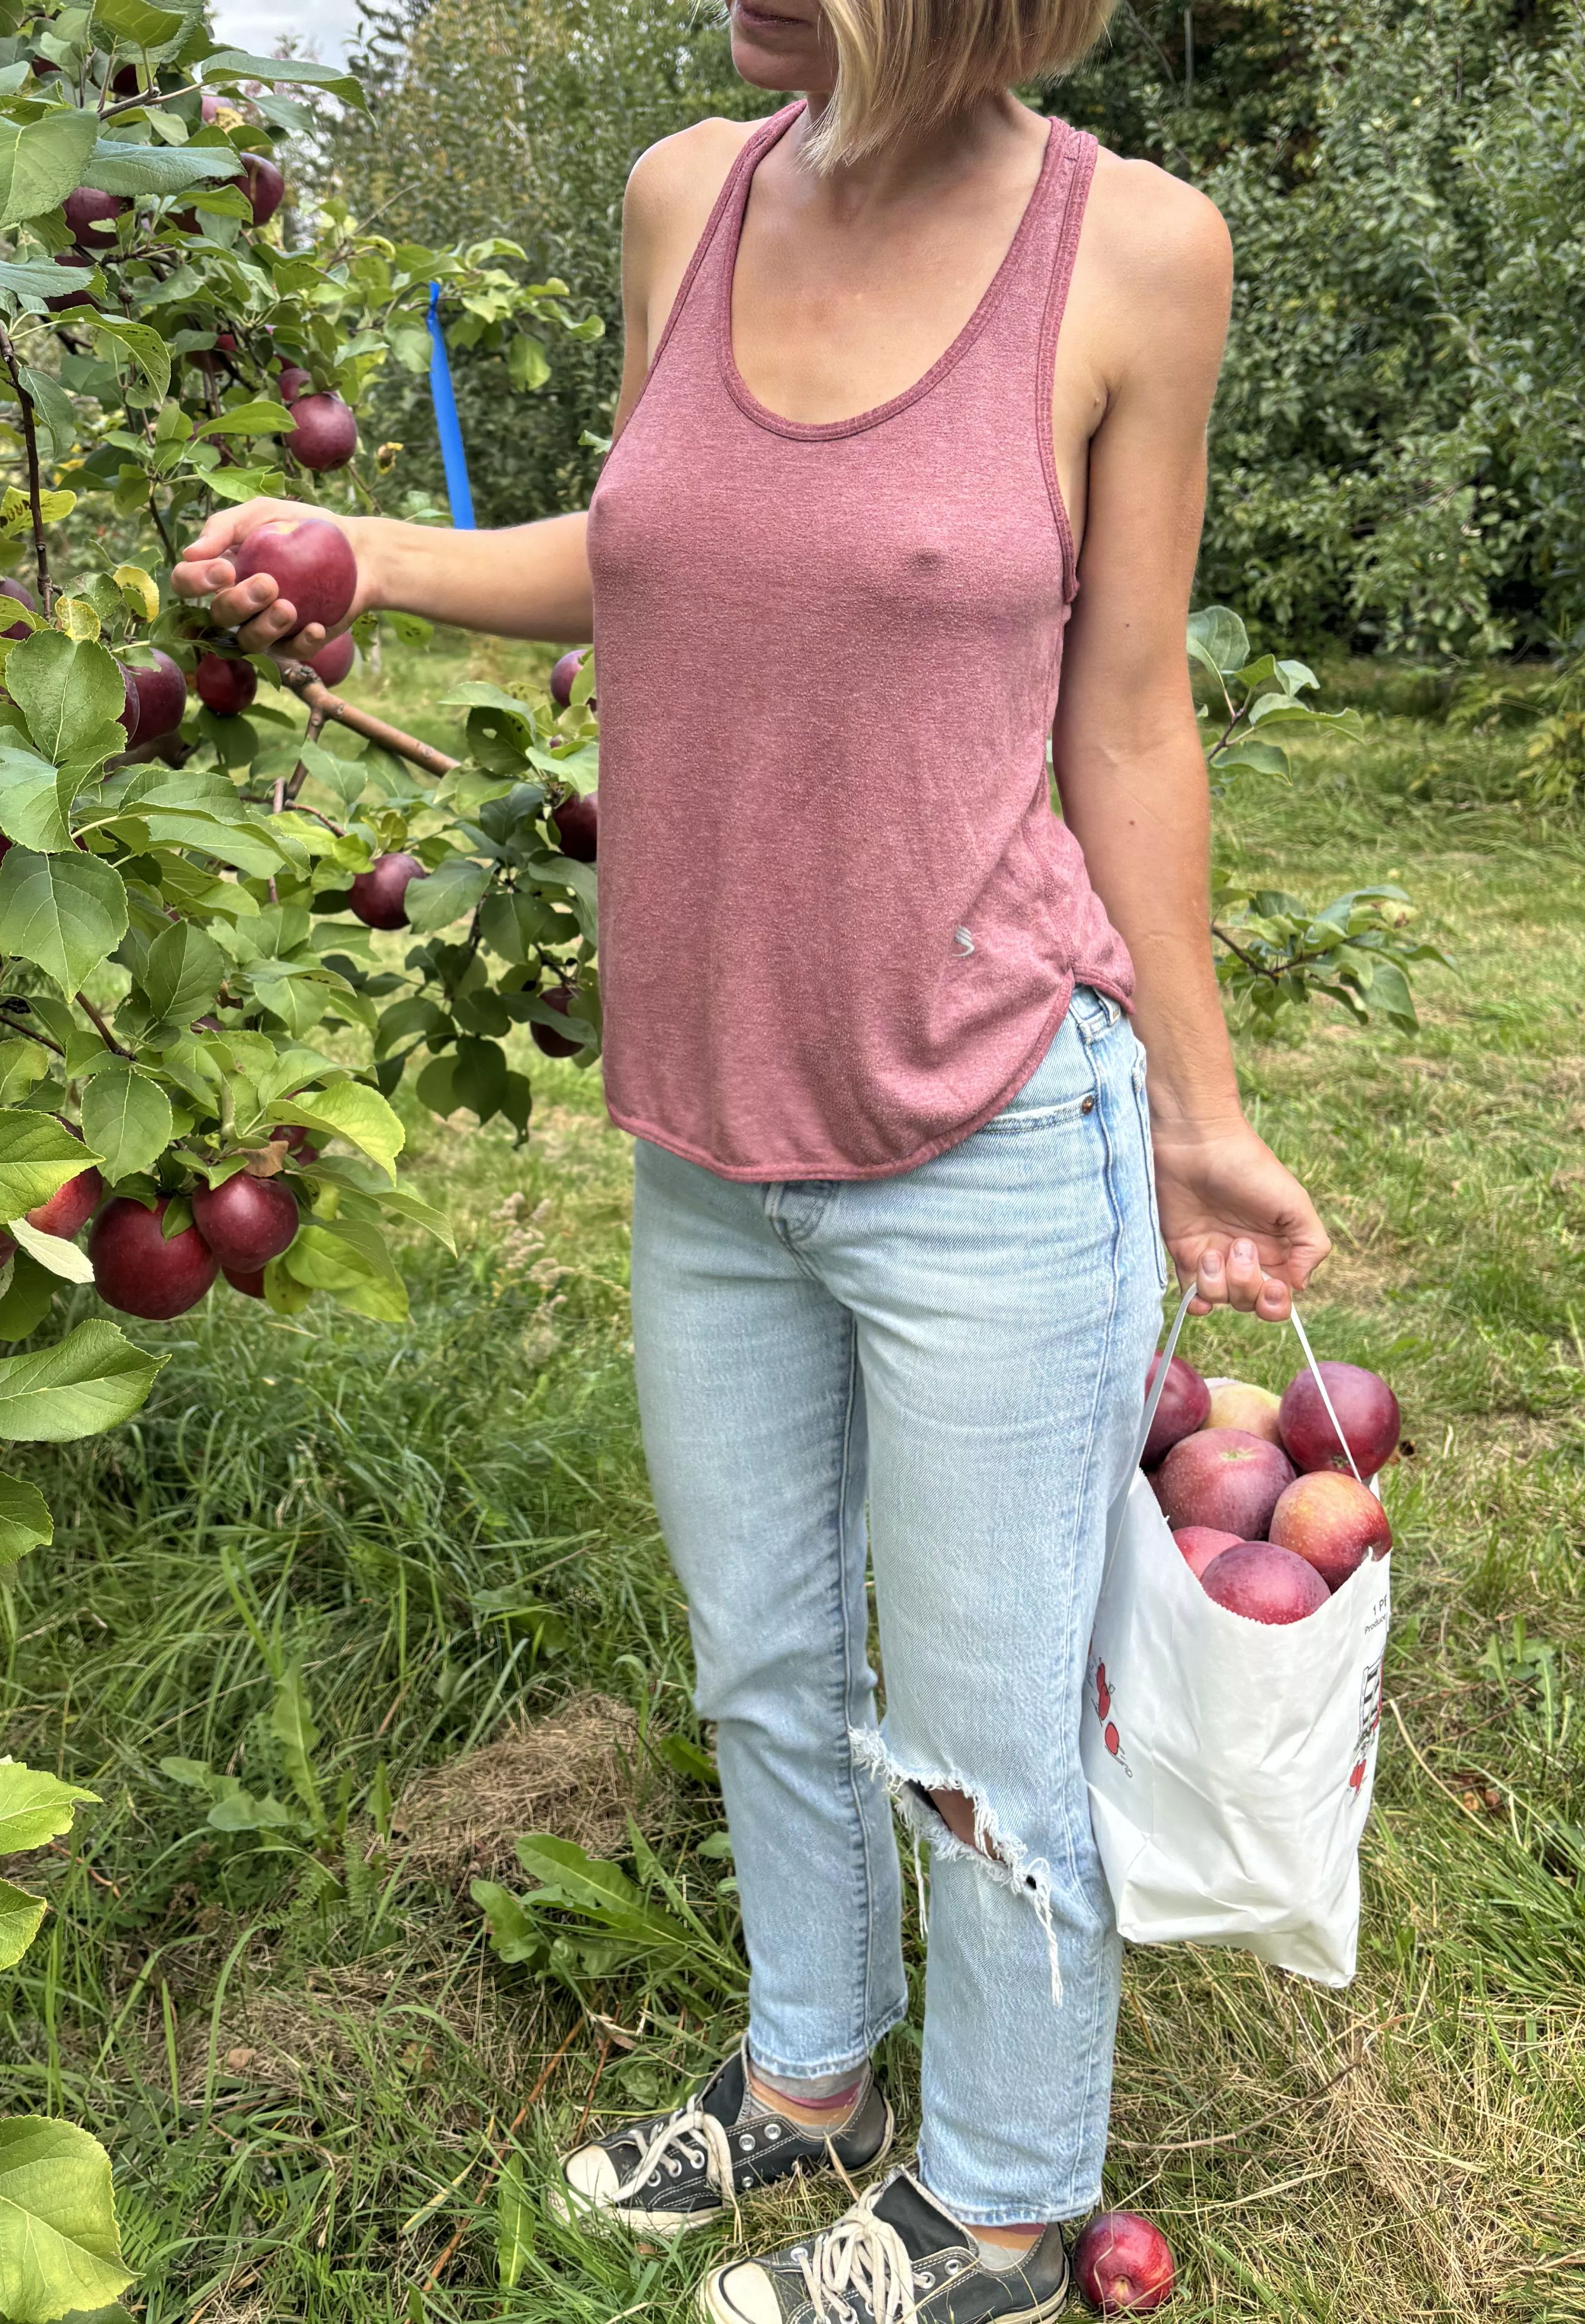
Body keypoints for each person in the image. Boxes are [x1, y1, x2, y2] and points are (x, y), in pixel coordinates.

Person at [175, 3, 1330, 2316]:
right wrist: (370, 553)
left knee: (983, 1728)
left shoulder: (1135, 257)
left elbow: (1127, 711)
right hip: (710, 1122)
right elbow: (650, 548)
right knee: (765, 1660)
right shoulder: (687, 193)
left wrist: (1202, 1117)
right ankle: (811, 2082)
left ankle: (1003, 2204)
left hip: (990, 1120)